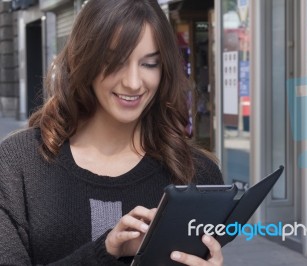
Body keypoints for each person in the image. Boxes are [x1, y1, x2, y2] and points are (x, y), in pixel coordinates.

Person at [0, 0, 224, 265]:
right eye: (115, 61)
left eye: (150, 64)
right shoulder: (19, 164)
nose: (132, 82)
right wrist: (105, 251)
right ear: (83, 60)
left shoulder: (198, 174)